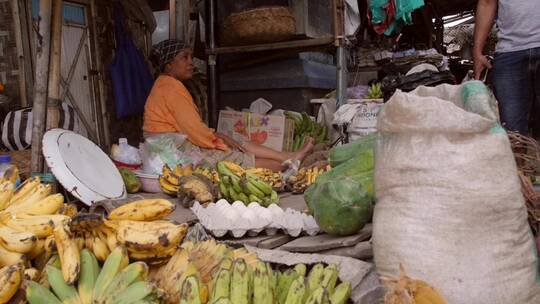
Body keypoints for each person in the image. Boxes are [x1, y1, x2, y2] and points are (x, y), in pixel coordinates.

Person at [143, 39, 314, 171]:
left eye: (190, 57)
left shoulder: (165, 84)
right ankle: (288, 164)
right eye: (184, 57)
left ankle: (288, 156)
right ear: (169, 65)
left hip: (170, 145)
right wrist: (218, 140)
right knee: (234, 158)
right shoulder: (171, 88)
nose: (191, 62)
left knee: (236, 141)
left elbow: (191, 129)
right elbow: (194, 130)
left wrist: (220, 136)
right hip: (171, 152)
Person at [473, 0, 540, 135]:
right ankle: (518, 156)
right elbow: (487, 3)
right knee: (513, 130)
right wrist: (477, 51)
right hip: (509, 52)